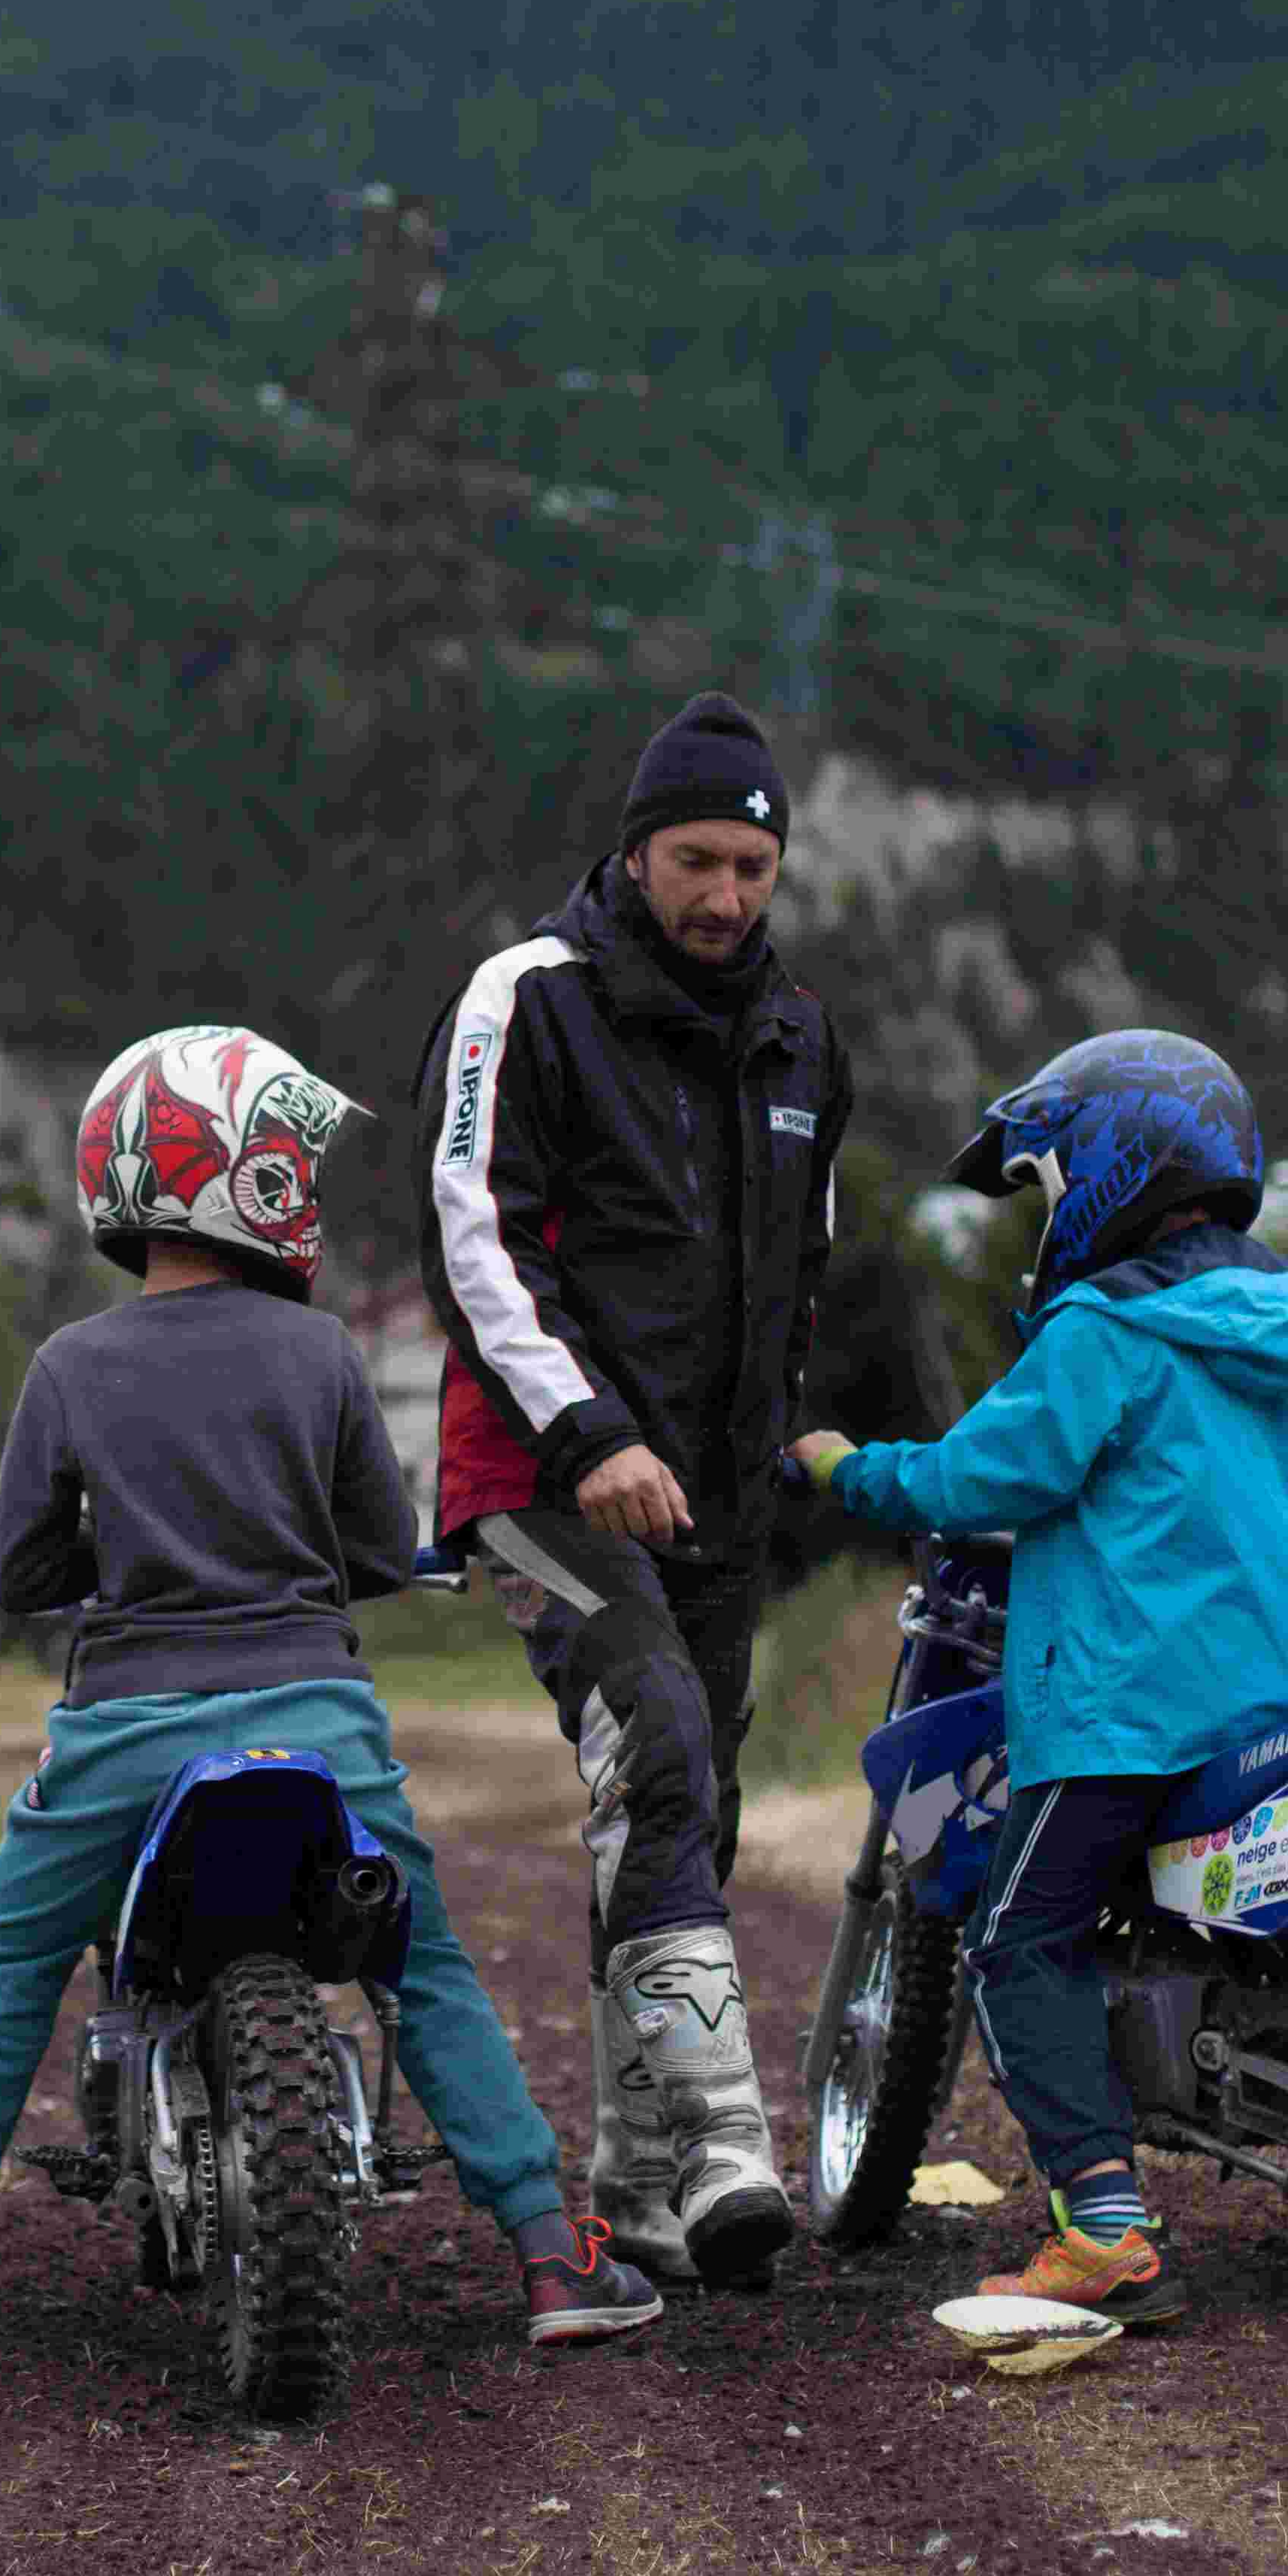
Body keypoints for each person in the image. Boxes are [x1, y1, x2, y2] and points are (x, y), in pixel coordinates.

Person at [0, 1027, 662, 2359]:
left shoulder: (71, 1367)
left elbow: (25, 1573)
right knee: (417, 1962)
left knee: (2, 1956)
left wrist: (113, 1554)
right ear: (249, 1176)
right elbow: (378, 1552)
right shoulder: (318, 1358)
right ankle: (552, 2257)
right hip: (318, 1722)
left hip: (122, 1736)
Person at [788, 1031, 1288, 2326]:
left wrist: (842, 1467)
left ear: (1102, 1174)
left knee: (1017, 1936)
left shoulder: (1101, 1326)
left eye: (1044, 1184)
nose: (1043, 1217)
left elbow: (982, 1477)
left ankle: (1103, 2222)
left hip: (1135, 1721)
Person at [408, 690, 852, 2285]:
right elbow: (473, 1236)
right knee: (657, 1738)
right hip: (539, 1478)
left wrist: (785, 1444)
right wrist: (589, 1434)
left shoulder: (803, 1037)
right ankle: (730, 2143)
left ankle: (635, 2185)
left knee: (685, 1808)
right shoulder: (526, 997)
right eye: (694, 861)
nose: (724, 897)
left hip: (715, 1498)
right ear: (632, 851)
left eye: (752, 865)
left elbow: (802, 1274)